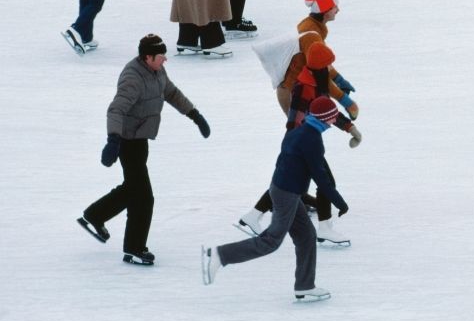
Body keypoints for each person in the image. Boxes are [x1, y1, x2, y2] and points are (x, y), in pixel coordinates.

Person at [201, 97, 359, 301]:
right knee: (271, 241)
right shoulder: (312, 140)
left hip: (283, 190)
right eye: (331, 119)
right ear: (324, 120)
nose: (332, 123)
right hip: (287, 194)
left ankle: (305, 285)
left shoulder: (299, 131)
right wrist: (339, 202)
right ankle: (220, 256)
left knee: (306, 236)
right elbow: (321, 177)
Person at [78, 34, 211, 264]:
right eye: (161, 56)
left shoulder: (157, 71)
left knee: (132, 189)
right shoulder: (133, 77)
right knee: (144, 197)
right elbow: (116, 110)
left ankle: (94, 216)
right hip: (126, 142)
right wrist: (112, 140)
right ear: (147, 57)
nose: (165, 60)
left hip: (140, 139)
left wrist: (195, 115)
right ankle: (134, 248)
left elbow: (171, 93)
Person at [237, 42, 361, 245]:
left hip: (302, 141)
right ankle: (325, 227)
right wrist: (301, 143)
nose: (329, 68)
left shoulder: (317, 81)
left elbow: (326, 111)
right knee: (320, 182)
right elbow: (295, 118)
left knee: (288, 183)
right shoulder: (304, 86)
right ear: (319, 65)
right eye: (327, 64)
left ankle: (254, 215)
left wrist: (349, 128)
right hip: (300, 141)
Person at [275, 0, 359, 120]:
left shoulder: (313, 26)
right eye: (334, 7)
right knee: (304, 134)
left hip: (300, 88)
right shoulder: (311, 35)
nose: (338, 10)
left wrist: (339, 79)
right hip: (294, 93)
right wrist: (347, 102)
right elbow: (320, 74)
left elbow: (323, 65)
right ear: (325, 11)